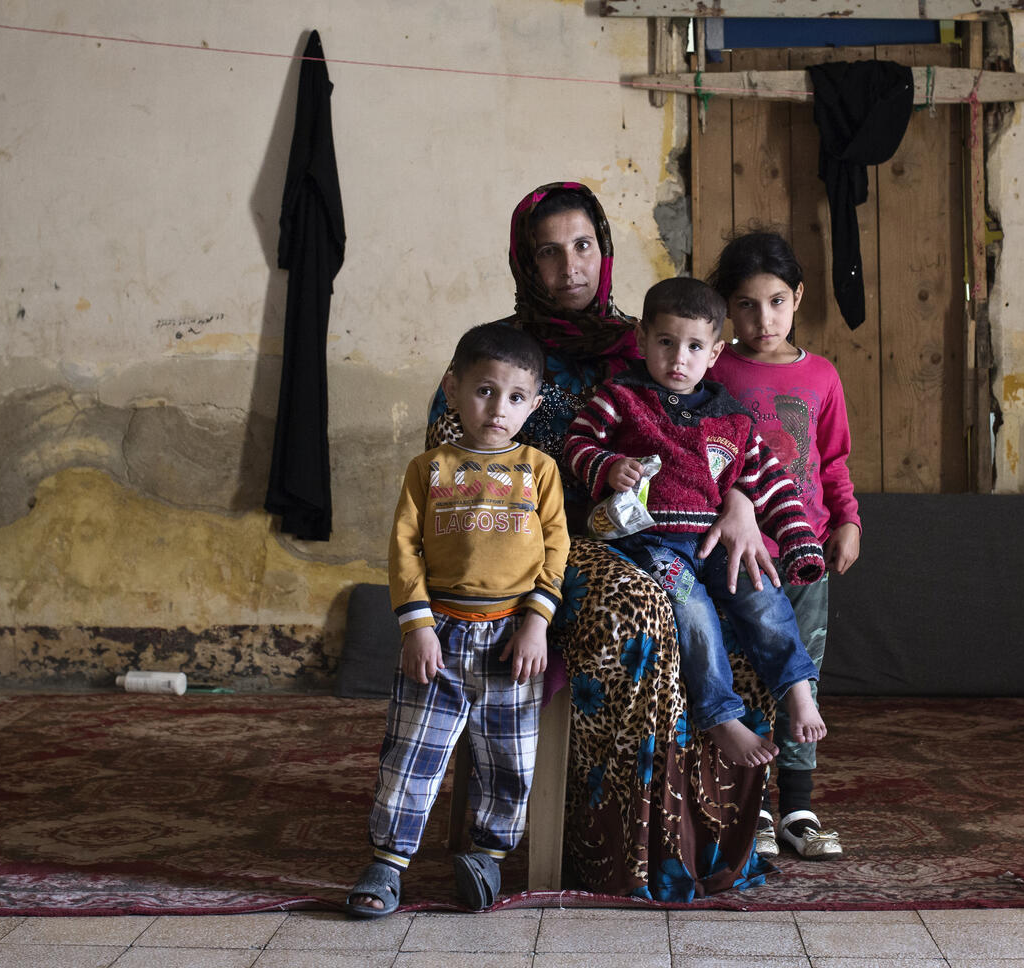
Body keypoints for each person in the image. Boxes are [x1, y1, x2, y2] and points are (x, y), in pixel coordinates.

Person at [428, 182, 780, 900]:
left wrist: (740, 500)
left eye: (583, 245)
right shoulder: (495, 355)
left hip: (662, 532)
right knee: (637, 605)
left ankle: (714, 839)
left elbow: (724, 436)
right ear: (526, 263)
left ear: (605, 249)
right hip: (535, 544)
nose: (570, 266)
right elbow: (445, 462)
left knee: (744, 588)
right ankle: (619, 853)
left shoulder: (652, 340)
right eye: (549, 252)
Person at [347, 322, 569, 917]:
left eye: (517, 397)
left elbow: (556, 552)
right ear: (453, 387)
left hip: (512, 641)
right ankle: (388, 862)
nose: (499, 408)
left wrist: (537, 623)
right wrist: (416, 627)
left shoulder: (539, 471)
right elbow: (404, 551)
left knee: (510, 757)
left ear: (535, 403)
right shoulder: (429, 470)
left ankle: (487, 860)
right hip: (438, 636)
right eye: (485, 391)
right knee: (412, 751)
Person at [564, 276, 828, 771]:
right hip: (652, 544)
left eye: (693, 346)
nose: (678, 358)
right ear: (643, 339)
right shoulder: (622, 397)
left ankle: (796, 688)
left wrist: (799, 544)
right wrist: (605, 465)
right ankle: (721, 715)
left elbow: (771, 483)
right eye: (665, 342)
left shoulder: (729, 416)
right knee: (695, 611)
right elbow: (577, 441)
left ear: (714, 352)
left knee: (762, 593)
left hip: (711, 540)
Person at [708, 229, 862, 861]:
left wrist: (849, 521)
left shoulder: (821, 376)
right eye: (745, 304)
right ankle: (757, 808)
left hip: (807, 558)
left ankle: (798, 804)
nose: (762, 318)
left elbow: (833, 461)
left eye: (775, 301)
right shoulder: (713, 369)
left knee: (803, 678)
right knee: (747, 677)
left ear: (798, 298)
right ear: (726, 308)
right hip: (738, 559)